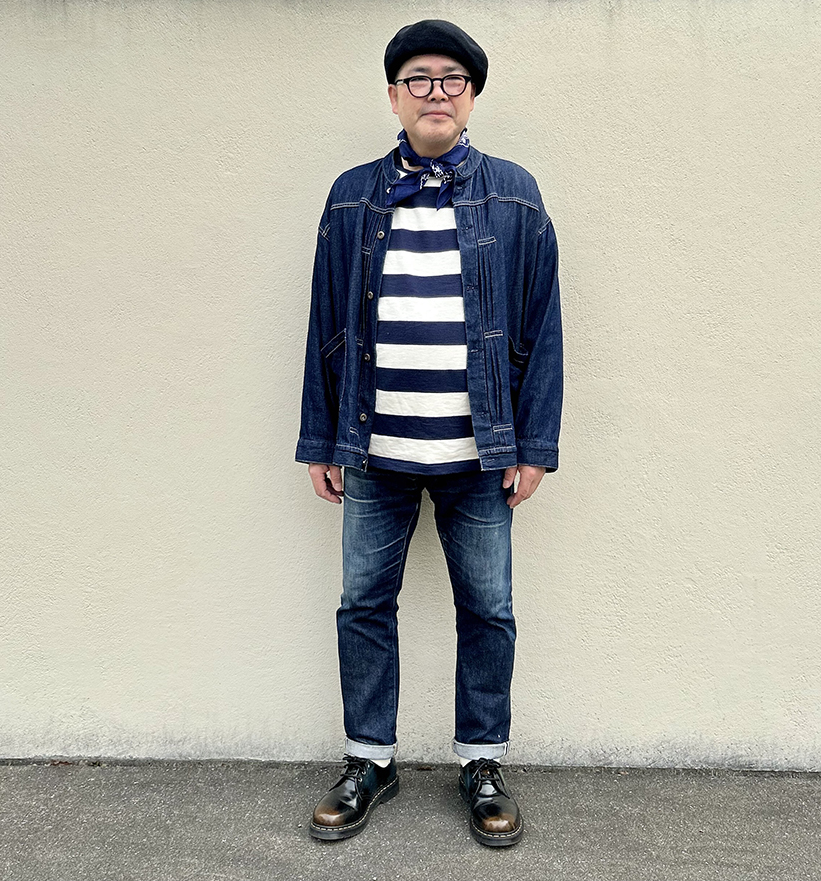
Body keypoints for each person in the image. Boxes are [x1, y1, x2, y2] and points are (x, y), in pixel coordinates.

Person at [296, 19, 562, 847]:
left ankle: (481, 762)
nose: (435, 92)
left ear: (471, 96)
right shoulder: (351, 195)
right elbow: (325, 323)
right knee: (362, 605)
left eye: (452, 79)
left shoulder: (515, 194)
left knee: (488, 608)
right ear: (394, 97)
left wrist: (534, 445)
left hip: (479, 455)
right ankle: (370, 759)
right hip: (373, 450)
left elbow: (542, 326)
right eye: (419, 79)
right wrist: (321, 439)